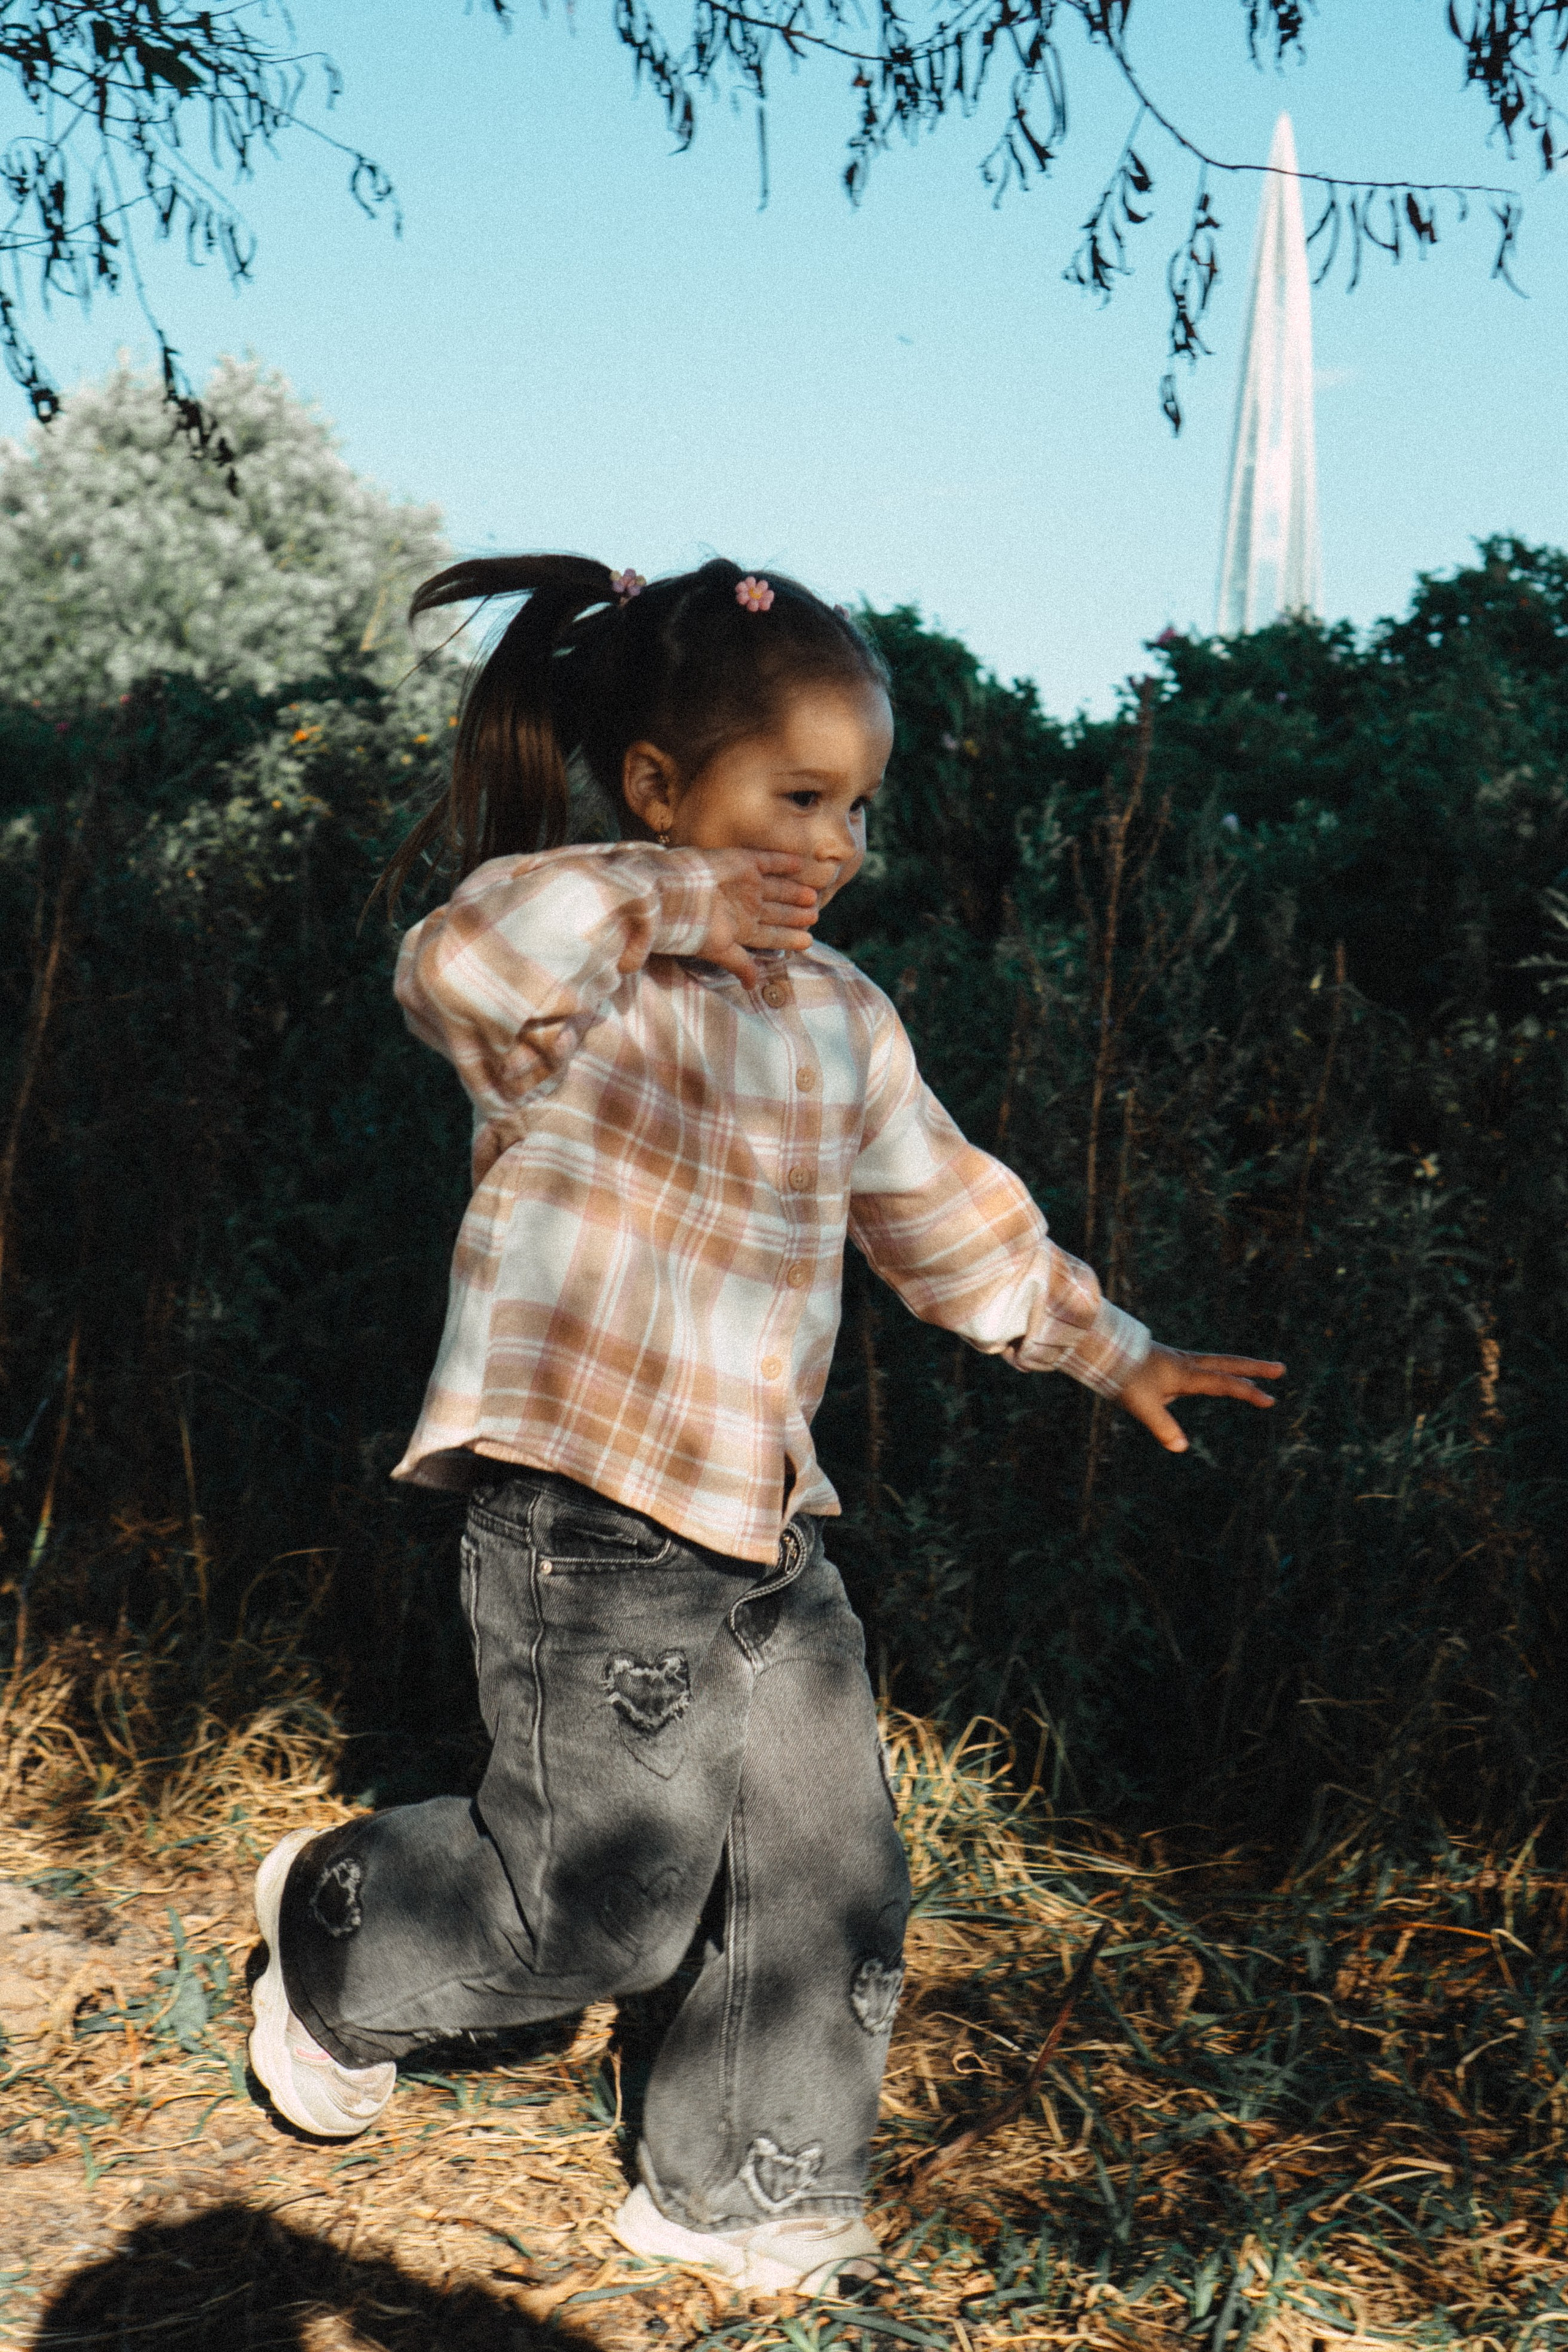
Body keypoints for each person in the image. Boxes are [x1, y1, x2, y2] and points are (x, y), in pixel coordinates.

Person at [247, 556, 1283, 2294]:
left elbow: (950, 1217)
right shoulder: (584, 987)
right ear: (661, 788)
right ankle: (337, 1926)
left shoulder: (840, 1019)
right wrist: (670, 898)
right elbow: (457, 964)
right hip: (582, 1513)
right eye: (796, 797)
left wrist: (1116, 1351)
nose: (837, 843)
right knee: (607, 1901)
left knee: (828, 1868)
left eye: (858, 805)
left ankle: (740, 2183)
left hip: (760, 1531)